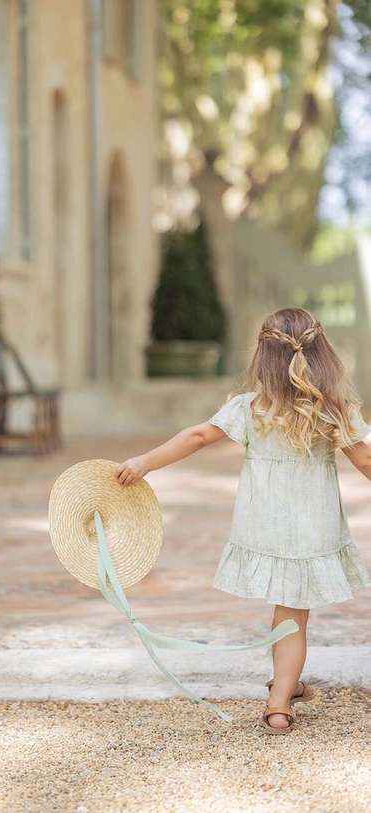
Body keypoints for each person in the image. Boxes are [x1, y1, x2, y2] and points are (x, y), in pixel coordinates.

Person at [115, 307, 371, 734]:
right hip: (312, 527)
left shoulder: (252, 407)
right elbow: (365, 460)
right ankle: (278, 703)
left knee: (287, 608)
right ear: (323, 354)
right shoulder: (334, 409)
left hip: (264, 523)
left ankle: (286, 682)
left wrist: (145, 462)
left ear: (262, 358)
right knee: (294, 613)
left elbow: (197, 436)